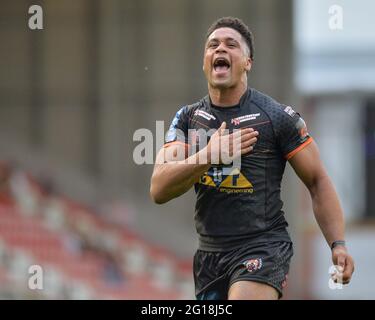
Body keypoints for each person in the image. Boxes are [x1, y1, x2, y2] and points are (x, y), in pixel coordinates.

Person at [150, 17, 354, 300]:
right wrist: (210, 155)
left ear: (248, 62)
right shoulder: (188, 119)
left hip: (263, 247)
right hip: (210, 256)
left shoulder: (278, 118)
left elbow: (318, 181)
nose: (220, 49)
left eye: (231, 45)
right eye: (213, 45)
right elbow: (159, 188)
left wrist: (338, 245)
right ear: (205, 61)